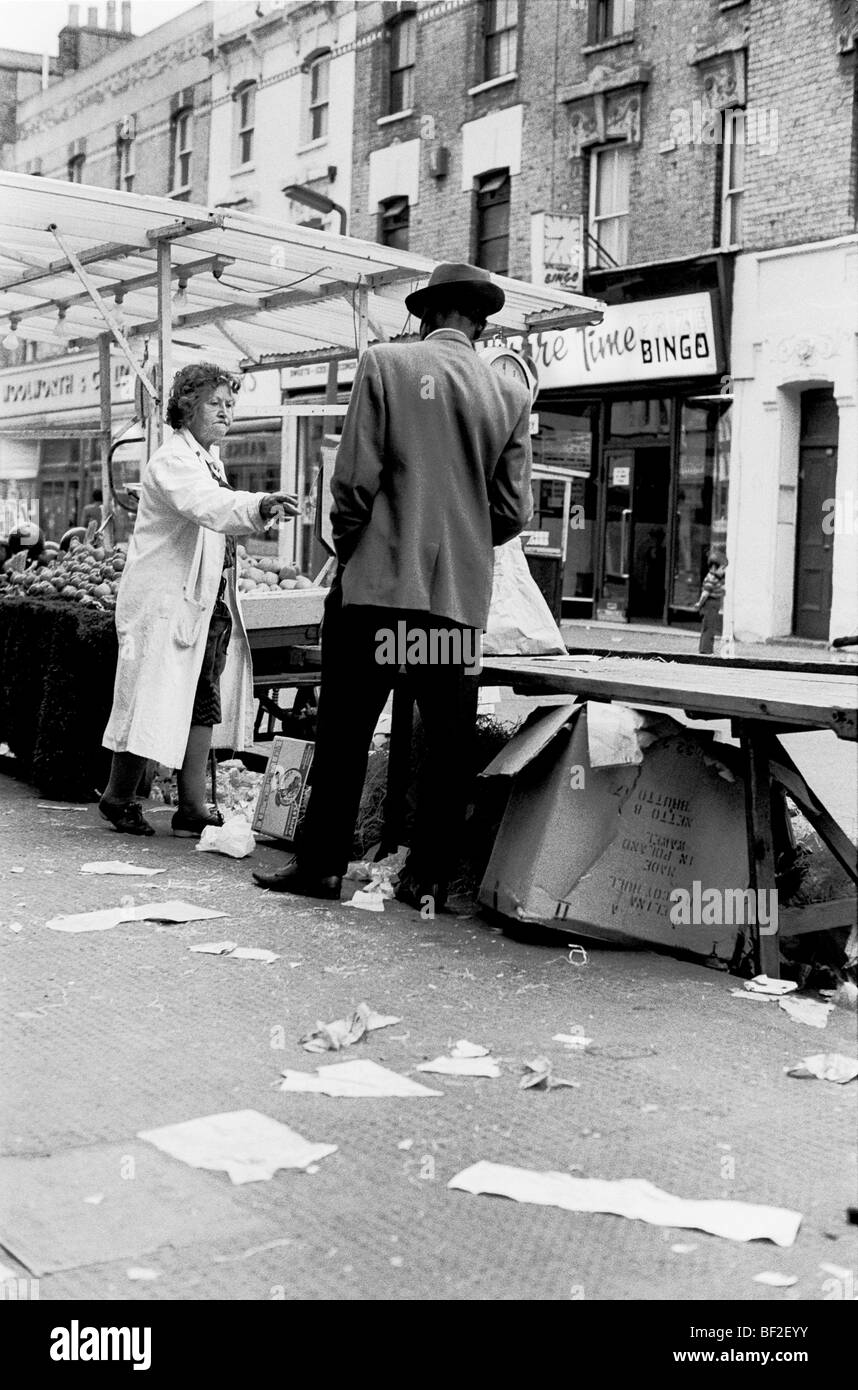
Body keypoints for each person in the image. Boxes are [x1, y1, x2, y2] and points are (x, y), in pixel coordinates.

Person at [253, 261, 533, 909]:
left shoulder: (385, 366)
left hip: (375, 593)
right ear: (482, 326)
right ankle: (427, 879)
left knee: (347, 731)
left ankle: (322, 867)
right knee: (446, 743)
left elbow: (352, 485)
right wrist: (460, 543)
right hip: (453, 605)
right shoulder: (509, 397)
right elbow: (511, 513)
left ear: (425, 316)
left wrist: (358, 552)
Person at [100, 362, 298, 836]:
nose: (226, 412)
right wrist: (259, 504)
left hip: (205, 602)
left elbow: (215, 518)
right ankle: (117, 796)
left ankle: (191, 807)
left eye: (231, 404)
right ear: (187, 407)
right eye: (215, 403)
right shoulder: (172, 461)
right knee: (148, 697)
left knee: (201, 698)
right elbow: (207, 506)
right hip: (163, 604)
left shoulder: (209, 459)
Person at [694, 548, 728, 654]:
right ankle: (705, 649)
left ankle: (707, 648)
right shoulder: (711, 578)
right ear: (714, 568)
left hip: (714, 604)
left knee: (711, 627)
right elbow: (705, 593)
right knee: (708, 627)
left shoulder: (716, 578)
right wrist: (699, 603)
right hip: (710, 604)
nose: (724, 571)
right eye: (722, 568)